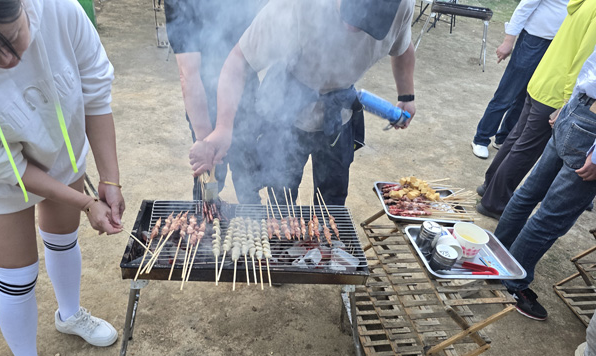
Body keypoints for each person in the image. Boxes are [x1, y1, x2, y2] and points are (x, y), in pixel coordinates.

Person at [0, 0, 124, 356]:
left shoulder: (62, 11)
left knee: (62, 236)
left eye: (13, 38)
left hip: (61, 146)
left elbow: (94, 90)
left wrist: (111, 179)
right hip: (1, 175)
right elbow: (9, 167)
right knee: (17, 273)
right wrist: (88, 202)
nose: (9, 60)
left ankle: (69, 314)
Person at [190, 0, 416, 206]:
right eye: (351, 12)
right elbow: (239, 61)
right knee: (281, 194)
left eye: (368, 21)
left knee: (333, 198)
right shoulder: (295, 5)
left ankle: (329, 248)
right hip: (288, 106)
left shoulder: (402, 6)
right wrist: (223, 127)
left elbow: (403, 46)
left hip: (338, 114)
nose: (352, 28)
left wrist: (406, 96)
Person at [493, 45, 596, 322]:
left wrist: (569, 107)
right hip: (590, 128)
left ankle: (497, 255)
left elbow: (589, 64)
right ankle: (513, 282)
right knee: (551, 217)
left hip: (579, 108)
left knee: (529, 193)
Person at [476, 0, 596, 219]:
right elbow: (584, 62)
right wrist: (567, 102)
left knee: (517, 139)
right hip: (556, 91)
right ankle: (495, 201)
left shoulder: (585, 3)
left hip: (543, 79)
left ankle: (490, 186)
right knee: (525, 148)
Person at [165, 0, 266, 203]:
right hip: (206, 103)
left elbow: (189, 75)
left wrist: (208, 142)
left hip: (242, 98)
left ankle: (249, 224)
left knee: (243, 176)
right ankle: (214, 215)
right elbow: (190, 75)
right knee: (215, 177)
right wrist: (206, 143)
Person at [470, 0, 568, 159]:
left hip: (557, 45)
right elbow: (523, 8)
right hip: (534, 40)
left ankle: (503, 138)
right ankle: (481, 139)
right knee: (507, 93)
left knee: (526, 96)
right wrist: (508, 41)